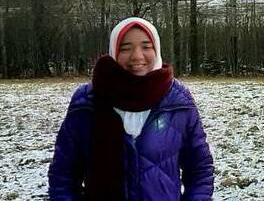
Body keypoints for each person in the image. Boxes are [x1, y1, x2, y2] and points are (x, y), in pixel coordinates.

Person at [48, 17, 214, 200]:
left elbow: (200, 171)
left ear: (156, 50)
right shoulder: (87, 102)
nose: (137, 56)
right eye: (125, 48)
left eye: (146, 46)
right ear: (114, 52)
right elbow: (62, 177)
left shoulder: (178, 101)